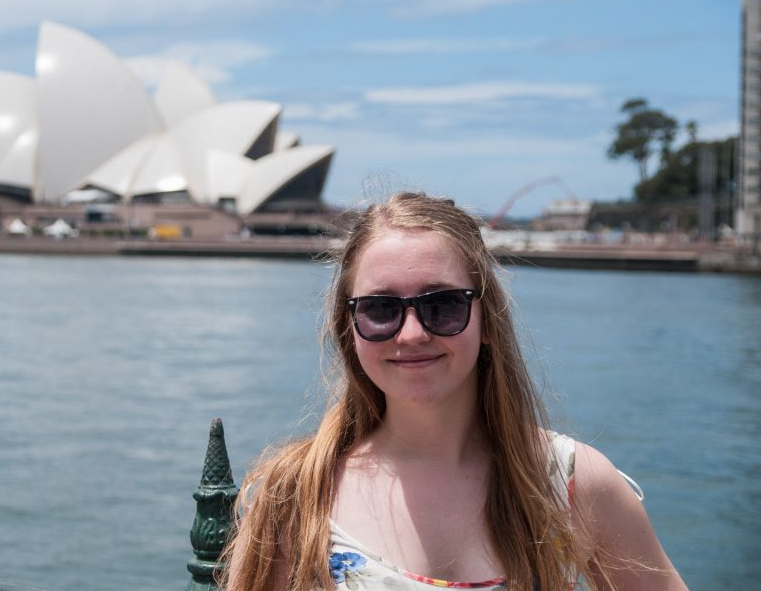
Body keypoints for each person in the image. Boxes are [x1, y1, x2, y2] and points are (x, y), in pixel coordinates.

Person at [222, 192, 686, 591]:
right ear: (350, 327)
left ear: (487, 321)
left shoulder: (573, 484)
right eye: (381, 308)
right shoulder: (294, 498)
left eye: (442, 305)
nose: (411, 334)